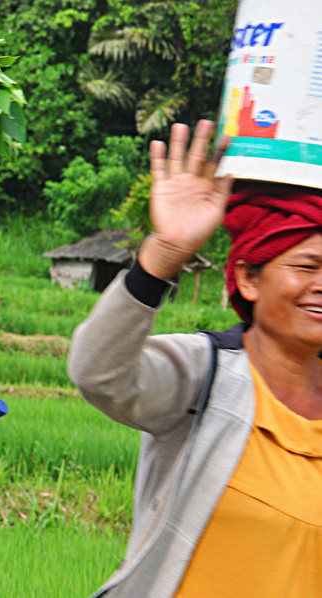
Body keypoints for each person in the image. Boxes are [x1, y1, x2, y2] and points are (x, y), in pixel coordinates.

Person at [67, 119, 322, 597]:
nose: (320, 284)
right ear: (247, 278)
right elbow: (97, 374)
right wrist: (162, 256)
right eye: (306, 266)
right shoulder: (203, 374)